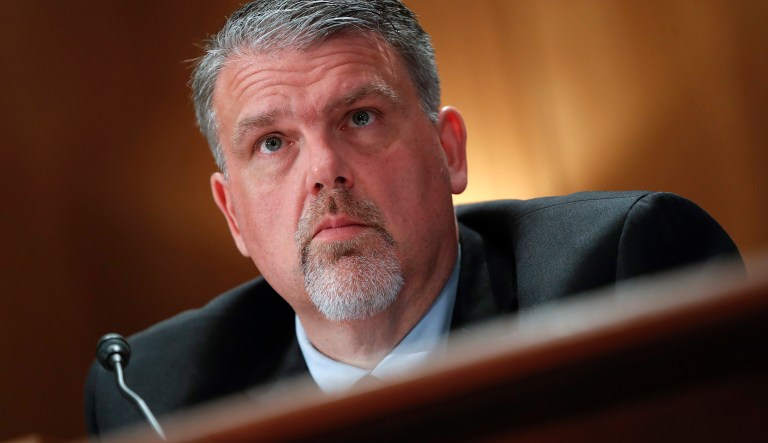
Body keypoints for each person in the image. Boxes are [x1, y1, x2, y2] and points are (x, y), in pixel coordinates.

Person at [84, 0, 742, 437]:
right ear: (233, 213)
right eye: (273, 143)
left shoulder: (623, 268)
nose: (325, 170)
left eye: (360, 118)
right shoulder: (152, 395)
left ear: (448, 150)